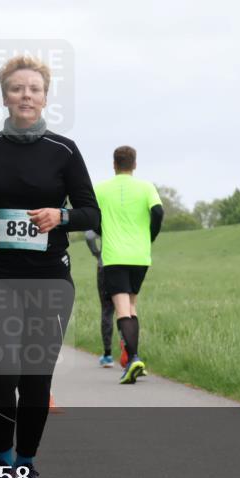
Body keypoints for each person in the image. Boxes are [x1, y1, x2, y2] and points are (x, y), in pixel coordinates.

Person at [0, 54, 100, 478]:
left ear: (45, 97)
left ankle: (26, 463)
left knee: (36, 378)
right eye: (18, 88)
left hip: (49, 280)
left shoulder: (64, 150)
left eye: (34, 89)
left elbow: (91, 213)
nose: (26, 95)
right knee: (2, 375)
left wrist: (61, 216)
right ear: (4, 96)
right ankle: (2, 464)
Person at [93, 145, 164, 385]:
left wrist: (102, 230)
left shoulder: (101, 189)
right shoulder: (147, 187)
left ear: (114, 164)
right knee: (132, 306)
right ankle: (135, 360)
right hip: (140, 255)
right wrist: (150, 235)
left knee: (122, 309)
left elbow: (91, 217)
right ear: (134, 164)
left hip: (114, 256)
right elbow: (158, 212)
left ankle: (133, 358)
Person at [85, 229, 121, 367]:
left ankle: (108, 355)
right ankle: (129, 354)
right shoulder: (126, 220)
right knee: (125, 309)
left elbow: (89, 236)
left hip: (105, 264)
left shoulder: (105, 218)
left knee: (107, 310)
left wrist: (97, 253)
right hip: (126, 264)